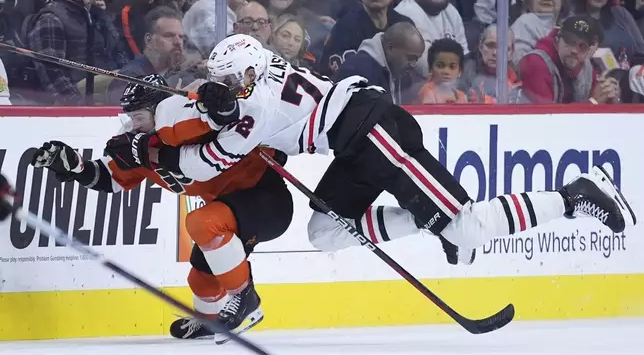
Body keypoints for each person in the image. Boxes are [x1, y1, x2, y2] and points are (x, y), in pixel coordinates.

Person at [105, 34, 636, 325]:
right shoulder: (257, 77)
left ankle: (574, 197)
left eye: (232, 81)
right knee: (325, 232)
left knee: (469, 231)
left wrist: (149, 148)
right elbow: (221, 102)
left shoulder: (255, 110)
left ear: (251, 72)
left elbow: (202, 164)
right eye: (222, 82)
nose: (227, 88)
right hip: (354, 142)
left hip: (376, 132)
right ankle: (437, 224)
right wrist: (207, 96)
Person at [30, 74, 294, 341]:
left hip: (267, 202)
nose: (132, 126)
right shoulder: (137, 144)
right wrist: (77, 167)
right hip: (226, 211)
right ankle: (211, 321)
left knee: (201, 222)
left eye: (139, 117)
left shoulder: (190, 124)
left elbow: (231, 120)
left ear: (161, 111)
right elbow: (111, 179)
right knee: (201, 279)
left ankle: (245, 300)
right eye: (130, 117)